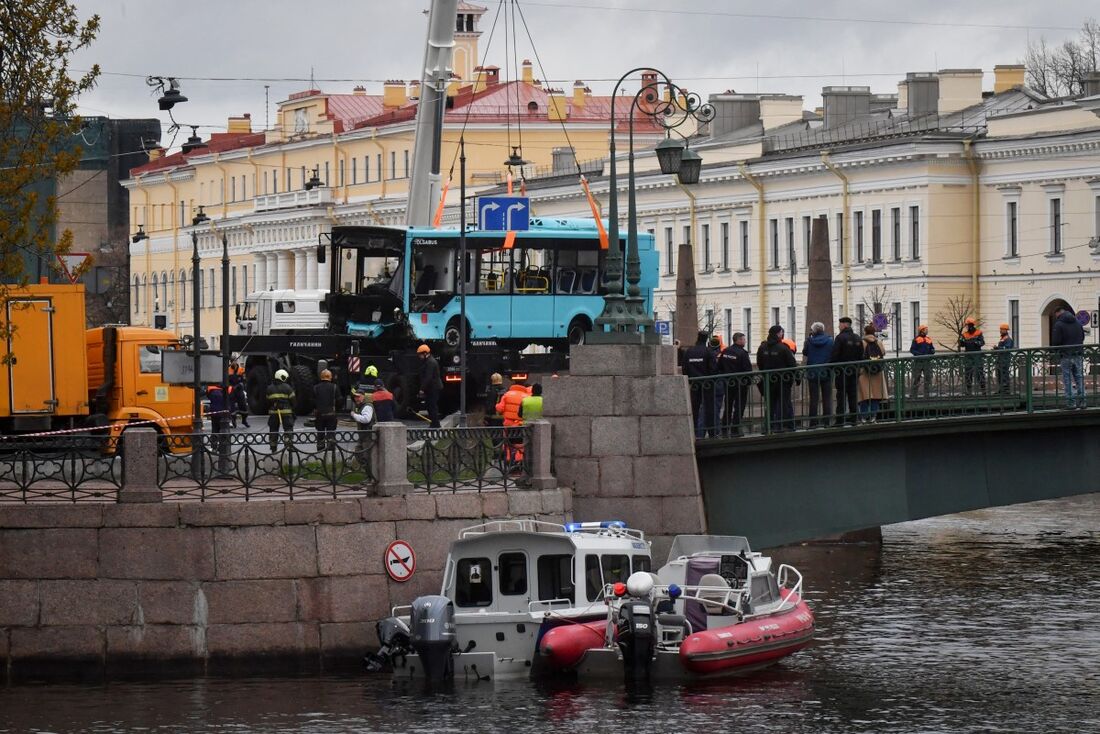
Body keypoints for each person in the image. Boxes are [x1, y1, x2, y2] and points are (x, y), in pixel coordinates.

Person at [756, 325, 797, 432]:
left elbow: (760, 363)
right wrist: (796, 378)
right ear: (778, 334)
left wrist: (765, 373)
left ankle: (769, 426)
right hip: (783, 380)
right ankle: (783, 426)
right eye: (781, 333)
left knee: (770, 403)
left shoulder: (762, 347)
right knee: (784, 403)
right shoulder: (783, 348)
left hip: (768, 379)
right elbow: (792, 364)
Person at [717, 332, 753, 436]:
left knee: (728, 405)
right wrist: (748, 382)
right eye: (744, 339)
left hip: (728, 383)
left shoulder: (726, 351)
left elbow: (720, 366)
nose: (745, 341)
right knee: (739, 406)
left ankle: (724, 428)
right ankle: (735, 429)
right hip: (740, 384)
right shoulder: (742, 353)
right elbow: (747, 370)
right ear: (739, 340)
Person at [682, 331, 717, 438]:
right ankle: (711, 433)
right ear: (706, 339)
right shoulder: (708, 351)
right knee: (709, 408)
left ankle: (693, 432)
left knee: (694, 409)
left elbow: (685, 369)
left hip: (695, 384)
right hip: (707, 384)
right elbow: (713, 369)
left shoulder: (689, 351)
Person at [830, 317, 864, 426]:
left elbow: (835, 354)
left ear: (845, 325)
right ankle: (854, 418)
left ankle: (840, 419)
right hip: (854, 371)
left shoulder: (840, 338)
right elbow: (861, 355)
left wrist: (831, 366)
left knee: (841, 396)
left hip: (842, 371)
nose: (839, 326)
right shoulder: (858, 338)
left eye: (840, 324)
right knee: (853, 395)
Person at [1051, 306, 1086, 409]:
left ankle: (1071, 402)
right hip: (1078, 354)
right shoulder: (1078, 322)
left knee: (1067, 379)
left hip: (1066, 355)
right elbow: (1082, 337)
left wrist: (1055, 351)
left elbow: (1056, 342)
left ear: (1058, 313)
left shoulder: (1059, 324)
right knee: (1079, 377)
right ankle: (1083, 401)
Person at [802, 322, 834, 428]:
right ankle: (827, 422)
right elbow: (832, 352)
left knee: (813, 398)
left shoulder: (809, 341)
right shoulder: (830, 340)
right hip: (826, 371)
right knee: (827, 398)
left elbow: (805, 352)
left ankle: (813, 422)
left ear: (813, 331)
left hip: (812, 372)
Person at [857, 325, 888, 423]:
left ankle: (864, 417)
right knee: (875, 396)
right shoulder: (878, 342)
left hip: (864, 371)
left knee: (864, 395)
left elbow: (859, 356)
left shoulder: (862, 342)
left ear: (865, 332)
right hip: (877, 371)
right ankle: (873, 417)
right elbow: (883, 352)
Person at [265, 369, 296, 451]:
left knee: (273, 430)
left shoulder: (269, 388)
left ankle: (273, 447)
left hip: (274, 413)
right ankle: (289, 445)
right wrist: (293, 409)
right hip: (287, 413)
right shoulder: (287, 387)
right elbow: (293, 400)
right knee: (288, 429)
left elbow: (267, 402)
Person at [312, 369, 341, 452]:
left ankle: (320, 451)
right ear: (330, 377)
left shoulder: (315, 388)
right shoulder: (335, 387)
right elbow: (339, 400)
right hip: (331, 414)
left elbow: (312, 401)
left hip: (319, 415)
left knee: (320, 433)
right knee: (331, 434)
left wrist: (315, 409)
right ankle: (331, 452)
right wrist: (336, 410)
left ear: (321, 377)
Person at [416, 344, 443, 428]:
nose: (419, 357)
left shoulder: (430, 362)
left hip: (433, 388)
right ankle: (434, 423)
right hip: (431, 388)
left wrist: (422, 389)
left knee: (432, 406)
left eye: (420, 354)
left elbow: (428, 377)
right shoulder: (428, 361)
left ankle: (435, 424)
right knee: (430, 405)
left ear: (425, 353)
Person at [959, 317, 986, 395]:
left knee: (980, 373)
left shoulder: (978, 333)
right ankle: (969, 390)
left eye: (967, 325)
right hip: (968, 356)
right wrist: (961, 342)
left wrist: (975, 342)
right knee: (968, 374)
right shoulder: (964, 334)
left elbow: (982, 342)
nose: (967, 327)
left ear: (971, 325)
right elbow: (961, 345)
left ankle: (983, 389)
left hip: (977, 356)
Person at [349, 390, 376, 469]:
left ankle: (371, 476)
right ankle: (368, 472)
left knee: (367, 456)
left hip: (368, 435)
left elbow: (366, 419)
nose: (356, 398)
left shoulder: (367, 406)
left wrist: (354, 415)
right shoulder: (360, 406)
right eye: (355, 397)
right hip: (363, 435)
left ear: (363, 396)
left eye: (358, 396)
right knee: (358, 452)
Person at [909, 325, 935, 399]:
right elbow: (912, 350)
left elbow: (932, 349)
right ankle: (914, 395)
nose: (927, 331)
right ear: (922, 330)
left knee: (928, 378)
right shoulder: (916, 339)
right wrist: (919, 355)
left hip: (927, 361)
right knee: (916, 378)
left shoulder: (928, 339)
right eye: (925, 329)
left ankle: (927, 395)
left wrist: (932, 351)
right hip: (918, 362)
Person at [992, 323, 1015, 396]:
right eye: (1000, 329)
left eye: (1002, 329)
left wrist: (998, 348)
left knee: (1004, 374)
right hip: (1000, 359)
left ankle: (1006, 390)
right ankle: (1001, 389)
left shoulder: (1008, 339)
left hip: (1005, 360)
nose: (1000, 331)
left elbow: (1007, 348)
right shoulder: (1002, 339)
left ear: (1006, 330)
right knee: (999, 375)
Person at [227, 359, 249, 428]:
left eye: (234, 361)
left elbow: (244, 380)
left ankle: (244, 420)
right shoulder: (228, 370)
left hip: (239, 390)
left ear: (236, 362)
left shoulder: (241, 370)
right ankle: (233, 421)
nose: (233, 362)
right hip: (232, 391)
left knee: (243, 406)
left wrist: (240, 384)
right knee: (231, 408)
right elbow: (226, 381)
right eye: (232, 361)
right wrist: (231, 387)